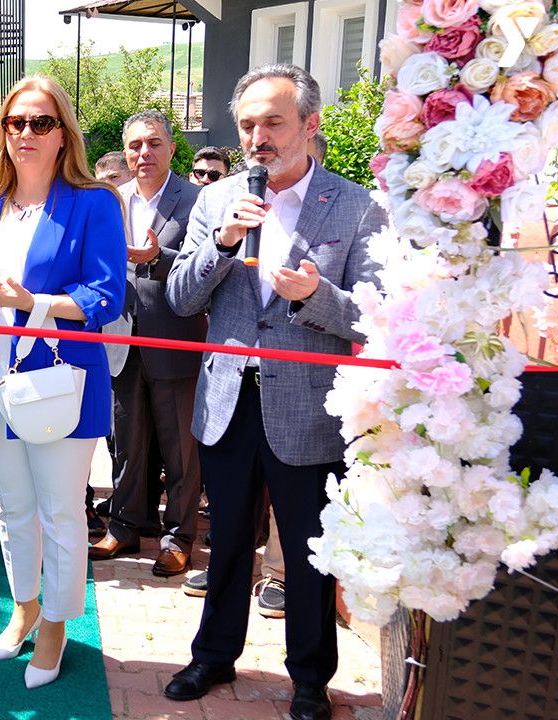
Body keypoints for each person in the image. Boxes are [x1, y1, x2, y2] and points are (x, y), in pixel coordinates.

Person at [162, 64, 383, 720]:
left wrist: (316, 295)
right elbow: (180, 297)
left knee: (310, 549)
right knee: (227, 538)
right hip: (228, 400)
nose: (258, 137)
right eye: (248, 124)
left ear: (310, 125)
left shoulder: (356, 205)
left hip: (309, 406)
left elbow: (375, 314)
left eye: (273, 123)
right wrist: (223, 242)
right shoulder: (217, 201)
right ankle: (213, 656)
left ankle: (310, 679)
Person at [0, 75, 124, 689]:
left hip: (60, 382)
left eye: (40, 122)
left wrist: (31, 302)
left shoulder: (94, 202)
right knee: (14, 507)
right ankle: (24, 606)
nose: (26, 132)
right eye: (15, 122)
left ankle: (56, 623)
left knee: (60, 512)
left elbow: (106, 296)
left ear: (62, 135)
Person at [92, 111, 205, 578]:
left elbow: (207, 264)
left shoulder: (197, 199)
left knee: (180, 450)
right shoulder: (110, 200)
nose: (144, 153)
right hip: (120, 337)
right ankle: (124, 526)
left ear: (172, 148)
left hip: (175, 336)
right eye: (136, 145)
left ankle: (178, 538)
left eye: (154, 143)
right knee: (127, 442)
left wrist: (162, 257)